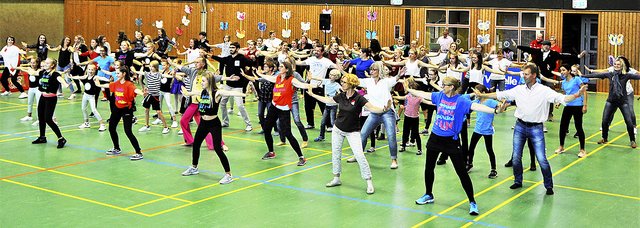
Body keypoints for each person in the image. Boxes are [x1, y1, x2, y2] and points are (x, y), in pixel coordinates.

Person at [474, 64, 587, 195]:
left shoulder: (544, 90)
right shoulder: (519, 89)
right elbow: (500, 94)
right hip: (520, 126)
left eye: (526, 74)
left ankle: (548, 185)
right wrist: (484, 95)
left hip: (536, 128)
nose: (524, 76)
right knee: (516, 157)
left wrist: (577, 94)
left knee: (541, 158)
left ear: (534, 75)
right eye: (523, 73)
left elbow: (562, 98)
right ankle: (518, 180)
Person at [408, 76, 504, 216]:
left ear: (451, 87)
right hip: (435, 137)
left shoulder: (461, 101)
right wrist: (409, 89)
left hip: (451, 141)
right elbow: (425, 94)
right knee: (429, 168)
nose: (442, 86)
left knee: (462, 173)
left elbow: (476, 106)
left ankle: (472, 202)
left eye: (444, 84)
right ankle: (428, 194)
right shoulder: (440, 95)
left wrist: (495, 111)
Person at [308, 73, 389, 194]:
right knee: (336, 153)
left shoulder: (359, 98)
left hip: (353, 132)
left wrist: (384, 109)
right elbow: (329, 100)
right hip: (338, 129)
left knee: (359, 155)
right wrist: (312, 94)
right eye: (342, 82)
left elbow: (372, 108)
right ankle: (336, 178)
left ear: (351, 84)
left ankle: (368, 181)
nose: (342, 83)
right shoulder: (341, 96)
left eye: (344, 82)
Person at [180, 73, 246, 184]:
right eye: (201, 81)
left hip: (214, 124)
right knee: (196, 144)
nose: (202, 83)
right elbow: (193, 92)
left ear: (210, 82)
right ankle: (194, 167)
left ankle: (228, 175)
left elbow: (229, 92)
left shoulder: (217, 93)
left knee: (217, 148)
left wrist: (243, 94)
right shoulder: (203, 92)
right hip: (203, 123)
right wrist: (186, 93)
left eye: (204, 81)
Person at [254, 61, 313, 166]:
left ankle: (301, 157)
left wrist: (311, 83)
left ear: (286, 69)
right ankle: (271, 152)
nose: (279, 68)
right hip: (274, 106)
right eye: (279, 66)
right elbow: (268, 78)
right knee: (266, 129)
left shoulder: (291, 80)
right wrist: (259, 73)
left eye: (282, 66)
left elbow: (302, 85)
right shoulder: (277, 78)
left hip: (284, 109)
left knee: (288, 134)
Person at [582, 57, 640, 148]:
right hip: (611, 101)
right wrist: (582, 76)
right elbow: (597, 76)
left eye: (618, 65)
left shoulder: (627, 75)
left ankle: (632, 140)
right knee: (605, 120)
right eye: (615, 64)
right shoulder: (610, 74)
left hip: (623, 102)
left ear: (622, 66)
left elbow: (638, 76)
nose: (616, 66)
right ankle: (604, 138)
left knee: (628, 121)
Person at [538, 64, 589, 157]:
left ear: (569, 71)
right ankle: (561, 146)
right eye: (561, 70)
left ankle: (582, 150)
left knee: (579, 127)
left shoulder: (576, 79)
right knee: (563, 127)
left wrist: (585, 105)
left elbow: (584, 91)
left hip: (577, 105)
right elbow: (565, 94)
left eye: (563, 70)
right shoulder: (564, 82)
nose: (562, 72)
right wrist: (559, 102)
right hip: (568, 105)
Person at [96, 66, 145, 160]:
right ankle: (116, 148)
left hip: (127, 109)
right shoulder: (116, 83)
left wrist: (142, 93)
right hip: (117, 108)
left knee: (128, 131)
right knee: (111, 128)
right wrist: (98, 84)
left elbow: (135, 90)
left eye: (118, 73)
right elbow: (108, 85)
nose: (116, 74)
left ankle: (138, 152)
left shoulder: (129, 84)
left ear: (124, 74)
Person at [210, 42, 253, 131]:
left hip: (238, 86)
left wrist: (245, 74)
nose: (231, 49)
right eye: (230, 48)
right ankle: (225, 122)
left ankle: (248, 124)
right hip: (228, 85)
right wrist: (211, 56)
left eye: (233, 48)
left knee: (240, 106)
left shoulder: (242, 58)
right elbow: (221, 59)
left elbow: (251, 63)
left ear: (237, 49)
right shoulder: (228, 58)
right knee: (222, 103)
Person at [31, 58, 69, 148]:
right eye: (45, 63)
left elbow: (60, 79)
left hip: (51, 99)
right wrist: (18, 68)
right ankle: (42, 137)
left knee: (48, 119)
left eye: (48, 63)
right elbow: (33, 72)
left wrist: (65, 84)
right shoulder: (43, 72)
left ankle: (61, 138)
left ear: (52, 65)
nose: (46, 64)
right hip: (43, 97)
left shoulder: (55, 74)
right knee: (41, 117)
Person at [467, 84, 500, 178]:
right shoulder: (476, 101)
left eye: (477, 92)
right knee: (471, 148)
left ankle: (493, 169)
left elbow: (499, 106)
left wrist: (501, 105)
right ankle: (469, 164)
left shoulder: (490, 101)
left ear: (484, 93)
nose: (475, 94)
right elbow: (469, 106)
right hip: (477, 129)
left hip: (487, 130)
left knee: (489, 150)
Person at [131, 62, 170, 134]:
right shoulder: (148, 74)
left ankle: (166, 127)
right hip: (149, 95)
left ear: (156, 67)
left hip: (155, 96)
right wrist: (134, 71)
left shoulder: (159, 75)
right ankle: (147, 126)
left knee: (158, 112)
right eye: (150, 66)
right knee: (146, 110)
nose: (150, 68)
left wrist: (173, 75)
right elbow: (141, 73)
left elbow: (167, 76)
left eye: (152, 67)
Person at [69, 64, 106, 131]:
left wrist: (109, 80)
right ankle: (86, 123)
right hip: (85, 95)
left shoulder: (95, 77)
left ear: (95, 70)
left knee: (94, 110)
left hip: (92, 96)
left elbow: (102, 78)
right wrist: (72, 77)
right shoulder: (86, 76)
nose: (90, 71)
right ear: (87, 70)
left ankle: (102, 124)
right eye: (89, 69)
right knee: (83, 109)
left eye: (92, 70)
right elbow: (79, 77)